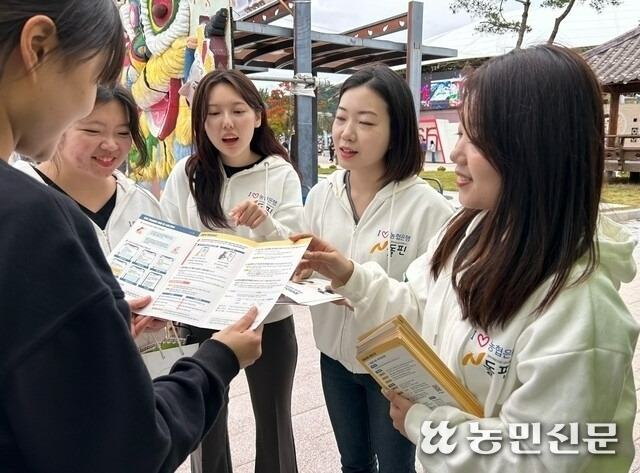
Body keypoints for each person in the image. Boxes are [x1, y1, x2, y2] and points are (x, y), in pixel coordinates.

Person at [291, 44, 639, 472]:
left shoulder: (582, 309)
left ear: (531, 148)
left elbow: (547, 457)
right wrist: (350, 275)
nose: (454, 153)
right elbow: (418, 308)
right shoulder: (468, 234)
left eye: (475, 138)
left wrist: (426, 424)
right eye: (461, 133)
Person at [0, 2, 263, 472]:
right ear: (37, 47)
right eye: (90, 79)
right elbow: (127, 450)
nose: (89, 103)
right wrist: (217, 359)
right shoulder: (33, 219)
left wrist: (103, 321)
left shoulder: (131, 201)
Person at [300, 65, 454, 473]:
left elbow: (435, 305)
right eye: (341, 117)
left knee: (394, 467)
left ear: (396, 131)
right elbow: (310, 265)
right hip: (334, 359)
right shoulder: (321, 195)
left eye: (365, 122)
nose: (346, 133)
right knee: (352, 463)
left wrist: (357, 285)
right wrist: (299, 272)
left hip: (394, 370)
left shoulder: (428, 209)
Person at [161, 68, 303, 473]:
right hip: (203, 320)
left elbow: (295, 254)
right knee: (205, 427)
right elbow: (171, 244)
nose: (226, 123)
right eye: (213, 113)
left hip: (268, 321)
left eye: (238, 110)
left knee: (275, 424)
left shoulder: (280, 174)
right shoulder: (186, 176)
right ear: (201, 121)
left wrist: (266, 224)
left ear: (258, 116)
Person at [14, 83, 168, 343]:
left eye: (122, 132)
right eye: (92, 130)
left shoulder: (142, 202)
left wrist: (162, 309)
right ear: (58, 126)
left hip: (146, 372)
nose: (111, 145)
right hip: (60, 373)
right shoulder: (20, 201)